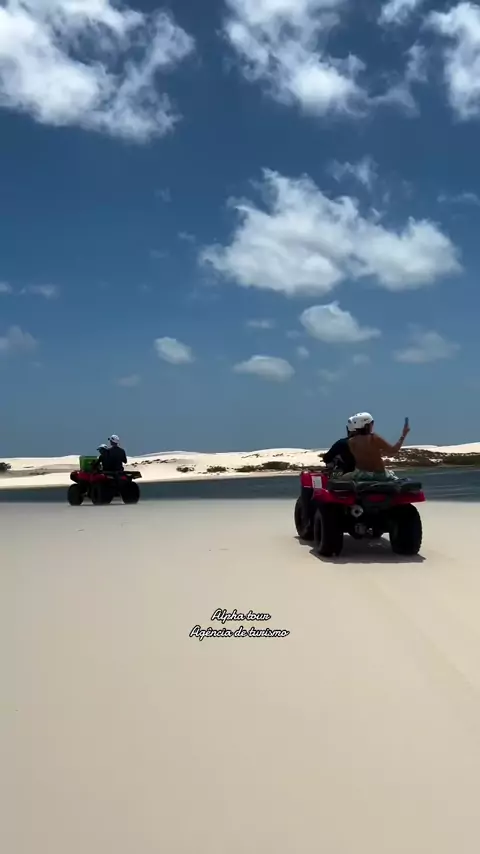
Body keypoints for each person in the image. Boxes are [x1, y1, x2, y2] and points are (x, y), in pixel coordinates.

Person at [345, 412, 410, 480]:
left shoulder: (351, 441)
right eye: (371, 423)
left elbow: (365, 454)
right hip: (378, 475)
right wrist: (404, 434)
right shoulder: (374, 438)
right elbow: (393, 451)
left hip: (361, 474)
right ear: (367, 425)